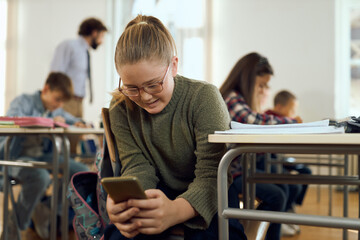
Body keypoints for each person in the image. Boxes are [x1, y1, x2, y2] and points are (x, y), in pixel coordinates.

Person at [104, 14, 247, 240]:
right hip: (157, 194)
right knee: (119, 235)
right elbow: (136, 166)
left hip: (211, 192)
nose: (144, 96)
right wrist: (124, 203)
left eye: (153, 84)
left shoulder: (204, 98)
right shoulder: (120, 107)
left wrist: (175, 211)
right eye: (131, 88)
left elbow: (212, 175)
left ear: (173, 66)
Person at [219, 52, 303, 239]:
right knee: (278, 195)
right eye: (261, 85)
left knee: (282, 191)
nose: (264, 90)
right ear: (248, 79)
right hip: (229, 173)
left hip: (237, 169)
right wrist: (292, 122)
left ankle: (259, 229)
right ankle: (259, 230)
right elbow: (255, 121)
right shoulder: (231, 98)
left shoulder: (238, 98)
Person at [0, 72, 89, 239]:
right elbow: (12, 120)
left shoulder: (53, 108)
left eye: (63, 102)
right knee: (41, 177)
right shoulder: (23, 101)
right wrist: (46, 121)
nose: (60, 105)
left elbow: (71, 119)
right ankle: (17, 224)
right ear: (46, 89)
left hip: (43, 156)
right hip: (17, 156)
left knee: (80, 171)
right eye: (57, 100)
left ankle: (52, 211)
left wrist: (79, 122)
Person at [265, 90, 312, 215]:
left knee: (307, 172)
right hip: (269, 157)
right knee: (291, 185)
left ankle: (291, 205)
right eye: (291, 110)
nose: (293, 114)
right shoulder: (269, 118)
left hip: (279, 156)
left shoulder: (284, 120)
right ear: (279, 107)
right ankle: (287, 210)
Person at [50, 17, 108, 118]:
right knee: (68, 133)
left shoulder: (85, 51)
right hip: (66, 101)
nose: (102, 41)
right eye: (101, 36)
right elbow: (56, 74)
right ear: (94, 33)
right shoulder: (69, 46)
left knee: (79, 131)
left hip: (79, 102)